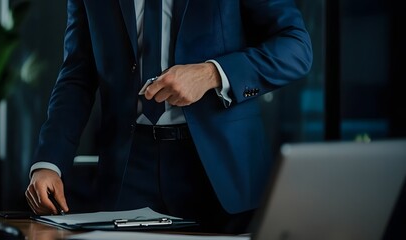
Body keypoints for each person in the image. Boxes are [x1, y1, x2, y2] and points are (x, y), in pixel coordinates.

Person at [25, 0, 312, 234]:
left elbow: (296, 47)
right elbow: (77, 75)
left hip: (223, 170)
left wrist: (211, 73)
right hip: (128, 167)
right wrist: (49, 162)